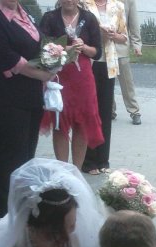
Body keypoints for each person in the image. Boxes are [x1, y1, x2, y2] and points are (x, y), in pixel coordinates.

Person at [0, 0, 55, 218]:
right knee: (11, 157)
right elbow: (5, 56)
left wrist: (54, 58)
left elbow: (38, 44)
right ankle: (7, 213)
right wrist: (41, 73)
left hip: (32, 95)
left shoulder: (24, 12)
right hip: (8, 97)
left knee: (27, 155)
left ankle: (24, 208)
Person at [39, 0, 104, 170]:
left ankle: (76, 171)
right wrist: (64, 48)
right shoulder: (50, 18)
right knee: (60, 123)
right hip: (59, 77)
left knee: (81, 124)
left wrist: (84, 47)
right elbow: (41, 47)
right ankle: (63, 171)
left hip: (83, 78)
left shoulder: (89, 18)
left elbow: (97, 52)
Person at [81, 0, 128, 175]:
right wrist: (98, 32)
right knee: (89, 112)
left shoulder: (118, 6)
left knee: (105, 113)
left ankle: (103, 160)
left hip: (108, 64)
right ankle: (88, 161)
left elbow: (124, 38)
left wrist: (113, 35)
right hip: (88, 63)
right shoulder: (83, 4)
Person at [112, 0, 142, 125]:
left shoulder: (128, 1)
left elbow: (133, 24)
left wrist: (137, 44)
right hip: (103, 48)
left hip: (121, 47)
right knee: (106, 82)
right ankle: (109, 110)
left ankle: (134, 111)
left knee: (126, 82)